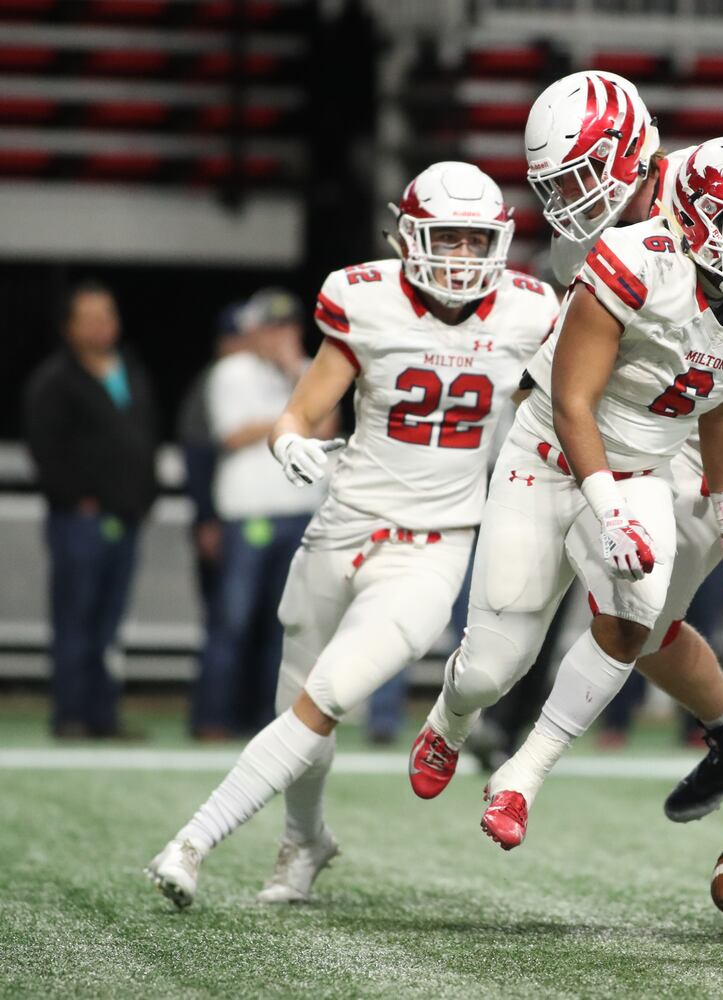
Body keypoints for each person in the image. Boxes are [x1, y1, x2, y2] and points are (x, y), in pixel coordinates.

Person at [414, 137, 723, 942]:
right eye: (560, 184)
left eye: (592, 177)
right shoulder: (633, 256)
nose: (580, 198)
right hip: (666, 435)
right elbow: (601, 398)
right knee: (633, 625)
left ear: (646, 162)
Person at [145, 162, 560, 909]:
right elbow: (298, 413)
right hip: (342, 527)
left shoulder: (530, 312)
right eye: (447, 239)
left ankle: (193, 842)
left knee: (328, 696)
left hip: (434, 546)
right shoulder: (362, 299)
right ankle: (306, 843)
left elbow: (554, 412)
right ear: (408, 237)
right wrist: (288, 442)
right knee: (298, 711)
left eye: (475, 240)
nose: (463, 258)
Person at [191, 288, 329, 739]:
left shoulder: (308, 371)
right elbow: (232, 434)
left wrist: (293, 377)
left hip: (301, 515)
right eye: (271, 328)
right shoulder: (231, 371)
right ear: (252, 332)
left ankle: (270, 720)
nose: (280, 336)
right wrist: (292, 419)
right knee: (233, 620)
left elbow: (327, 426)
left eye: (287, 327)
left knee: (287, 624)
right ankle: (213, 717)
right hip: (247, 514)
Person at [23, 281, 159, 739]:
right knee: (76, 619)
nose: (105, 325)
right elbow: (45, 450)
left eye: (110, 314)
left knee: (110, 624)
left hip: (126, 517)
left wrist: (143, 498)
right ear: (69, 328)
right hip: (79, 521)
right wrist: (77, 500)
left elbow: (144, 438)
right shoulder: (54, 381)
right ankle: (71, 716)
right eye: (93, 317)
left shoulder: (130, 370)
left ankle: (103, 715)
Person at [177, 303, 247, 623]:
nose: (242, 347)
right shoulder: (211, 383)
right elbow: (197, 455)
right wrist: (206, 519)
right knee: (226, 619)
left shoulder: (268, 379)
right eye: (235, 339)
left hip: (259, 517)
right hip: (222, 520)